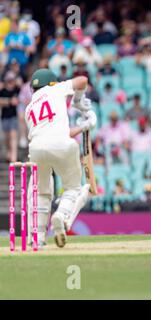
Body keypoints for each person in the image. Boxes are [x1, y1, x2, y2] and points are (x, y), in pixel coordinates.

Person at [24, 69, 96, 248]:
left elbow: (49, 134)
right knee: (73, 188)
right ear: (51, 83)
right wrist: (78, 102)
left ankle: (38, 238)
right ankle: (61, 216)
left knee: (41, 192)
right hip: (62, 145)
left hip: (36, 149)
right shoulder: (55, 89)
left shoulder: (29, 108)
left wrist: (83, 127)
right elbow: (82, 80)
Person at [0, 72, 20, 162]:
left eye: (12, 80)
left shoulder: (16, 89)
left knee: (13, 136)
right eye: (9, 81)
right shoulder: (2, 90)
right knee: (7, 138)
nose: (11, 82)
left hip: (13, 117)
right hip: (5, 117)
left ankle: (13, 157)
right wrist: (9, 101)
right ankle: (9, 152)